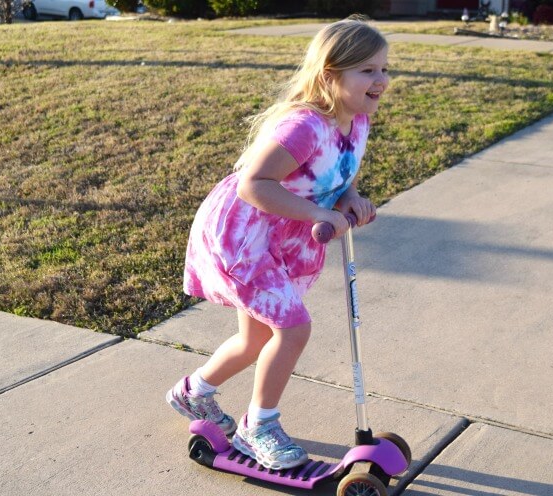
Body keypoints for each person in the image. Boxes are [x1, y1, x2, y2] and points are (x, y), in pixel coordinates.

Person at [166, 17, 390, 470]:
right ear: (330, 74)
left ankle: (194, 394)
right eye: (368, 70)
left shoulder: (357, 121)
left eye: (385, 69)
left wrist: (350, 200)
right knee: (293, 327)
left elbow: (337, 177)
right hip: (244, 235)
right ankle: (258, 427)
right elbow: (253, 184)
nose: (382, 80)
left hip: (282, 235)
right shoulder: (304, 126)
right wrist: (317, 214)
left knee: (256, 338)